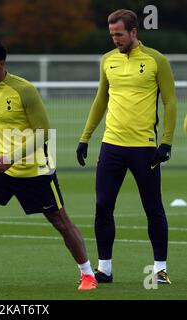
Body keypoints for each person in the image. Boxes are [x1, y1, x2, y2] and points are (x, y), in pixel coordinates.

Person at [0, 39, 98, 290]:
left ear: (1, 64)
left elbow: (43, 133)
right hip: (1, 168)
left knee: (60, 222)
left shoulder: (24, 90)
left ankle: (88, 274)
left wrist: (13, 157)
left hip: (34, 170)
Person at [76, 9, 177, 284]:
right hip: (112, 146)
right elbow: (100, 100)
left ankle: (159, 270)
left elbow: (170, 102)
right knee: (103, 205)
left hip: (145, 148)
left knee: (153, 207)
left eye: (119, 34)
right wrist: (85, 138)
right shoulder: (107, 61)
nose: (115, 39)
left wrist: (166, 141)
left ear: (134, 32)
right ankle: (104, 269)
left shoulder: (157, 60)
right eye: (112, 35)